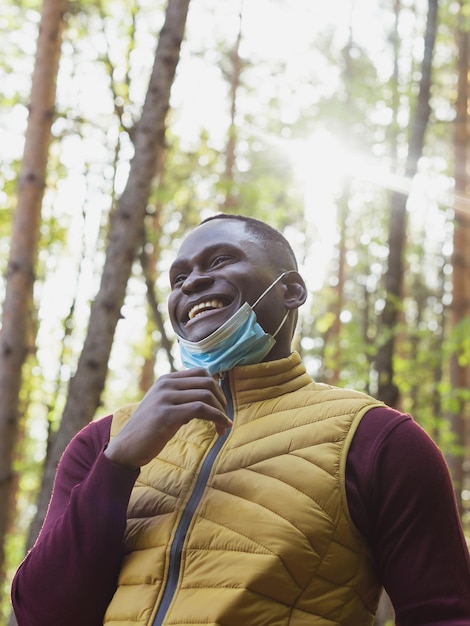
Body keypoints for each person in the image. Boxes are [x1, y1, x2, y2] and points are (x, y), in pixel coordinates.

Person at [11, 214, 470, 626]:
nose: (191, 283)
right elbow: (43, 615)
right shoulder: (104, 442)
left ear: (290, 291)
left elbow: (444, 615)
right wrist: (117, 466)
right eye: (179, 277)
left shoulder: (375, 440)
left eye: (218, 261)